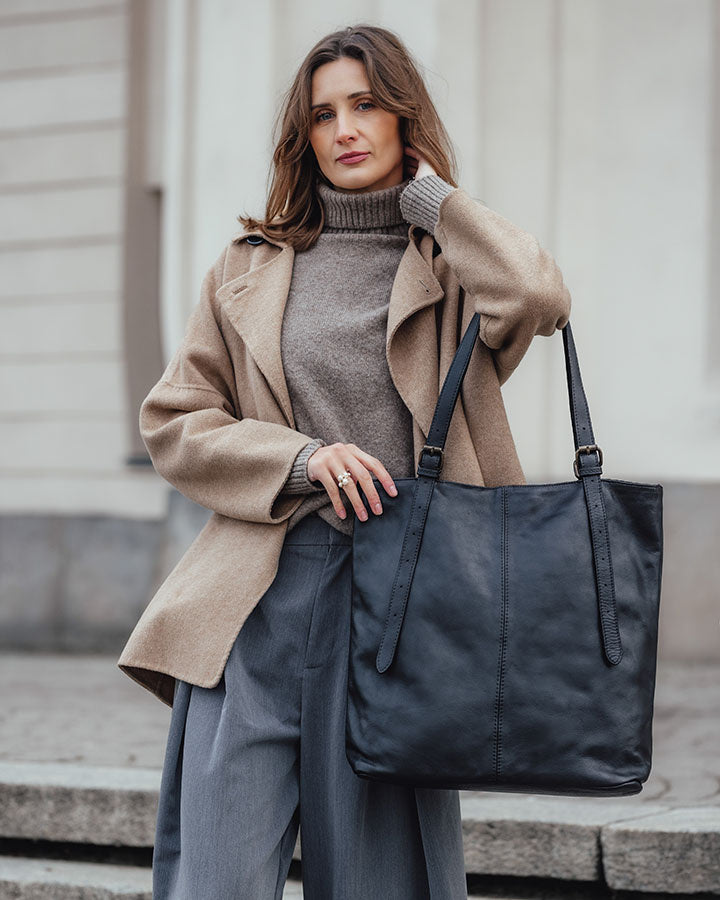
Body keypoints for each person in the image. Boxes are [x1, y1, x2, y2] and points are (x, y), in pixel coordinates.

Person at [119, 23, 572, 900]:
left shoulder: (453, 272)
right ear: (305, 136)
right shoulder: (248, 268)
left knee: (383, 881)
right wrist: (300, 457)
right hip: (255, 601)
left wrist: (434, 200)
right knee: (213, 879)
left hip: (399, 612)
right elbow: (176, 419)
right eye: (324, 114)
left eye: (367, 105)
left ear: (405, 120)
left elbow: (540, 296)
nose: (346, 129)